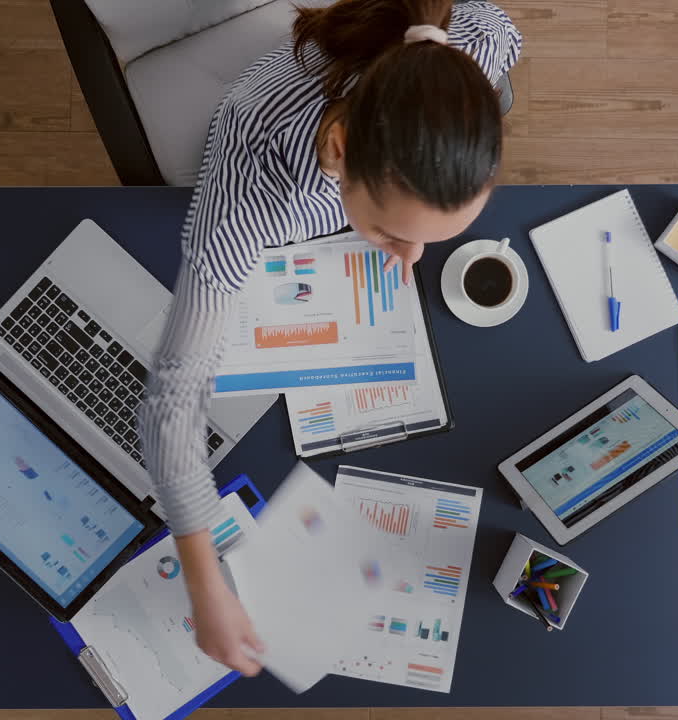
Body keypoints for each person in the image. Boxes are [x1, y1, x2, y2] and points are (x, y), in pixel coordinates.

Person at [139, 0, 521, 677]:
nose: (407, 256)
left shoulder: (471, 52)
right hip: (266, 122)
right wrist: (203, 580)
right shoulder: (249, 201)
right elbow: (172, 398)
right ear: (338, 150)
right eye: (390, 231)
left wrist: (402, 232)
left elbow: (501, 30)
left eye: (431, 239)